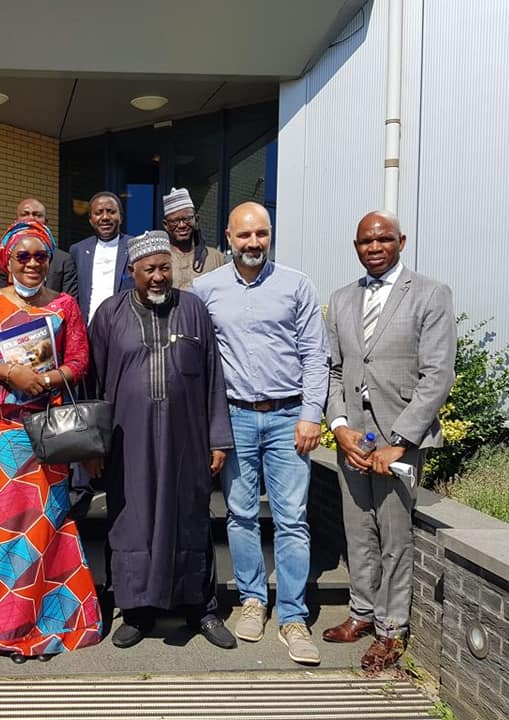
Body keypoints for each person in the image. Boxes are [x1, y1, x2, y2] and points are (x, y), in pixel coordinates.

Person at [191, 202, 328, 666]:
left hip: (289, 416)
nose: (254, 243)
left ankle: (293, 616)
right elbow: (200, 361)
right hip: (235, 418)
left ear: (270, 235)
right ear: (228, 238)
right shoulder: (205, 290)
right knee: (241, 514)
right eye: (245, 235)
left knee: (292, 519)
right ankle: (253, 600)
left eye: (261, 234)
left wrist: (312, 414)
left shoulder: (296, 285)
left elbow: (315, 354)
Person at [85, 230, 236, 651]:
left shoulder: (194, 309)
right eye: (149, 269)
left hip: (187, 440)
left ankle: (200, 608)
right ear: (132, 272)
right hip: (127, 443)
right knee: (131, 522)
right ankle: (137, 611)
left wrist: (218, 439)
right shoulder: (110, 314)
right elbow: (93, 384)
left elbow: (213, 375)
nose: (158, 277)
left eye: (165, 268)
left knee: (190, 519)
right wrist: (94, 448)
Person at [323, 210, 455, 672]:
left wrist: (400, 442)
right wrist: (340, 427)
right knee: (358, 531)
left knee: (394, 537)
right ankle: (361, 612)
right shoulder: (342, 299)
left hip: (400, 439)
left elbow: (438, 375)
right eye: (365, 241)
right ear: (356, 246)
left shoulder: (430, 294)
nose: (374, 247)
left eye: (383, 239)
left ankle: (391, 629)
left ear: (402, 241)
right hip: (354, 437)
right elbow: (333, 371)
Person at [0, 221, 102, 663]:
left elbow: (80, 360)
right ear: (7, 260)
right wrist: (12, 373)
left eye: (40, 256)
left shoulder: (64, 305)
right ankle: (7, 624)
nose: (31, 263)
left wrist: (49, 377)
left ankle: (52, 621)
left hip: (49, 429)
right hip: (4, 429)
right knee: (8, 523)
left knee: (49, 519)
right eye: (22, 256)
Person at [0, 198, 78, 297]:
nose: (31, 219)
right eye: (25, 214)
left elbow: (69, 299)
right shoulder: (2, 257)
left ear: (46, 222)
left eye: (38, 215)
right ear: (16, 221)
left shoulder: (63, 260)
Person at [69, 192, 136, 324]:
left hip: (124, 327)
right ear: (90, 220)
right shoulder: (78, 250)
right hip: (88, 327)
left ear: (121, 217)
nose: (105, 217)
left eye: (111, 212)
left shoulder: (134, 247)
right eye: (98, 213)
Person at [161, 187, 229, 289]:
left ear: (196, 220)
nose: (182, 225)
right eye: (174, 221)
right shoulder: (159, 259)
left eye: (187, 219)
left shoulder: (216, 258)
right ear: (166, 225)